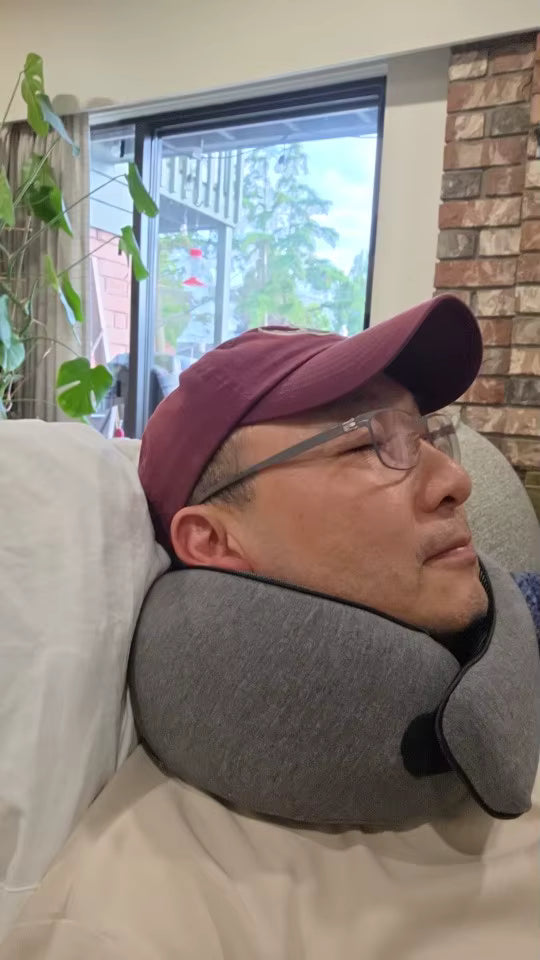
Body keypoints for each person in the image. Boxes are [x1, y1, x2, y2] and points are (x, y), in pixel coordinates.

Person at [2, 295, 540, 959]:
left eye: (428, 438)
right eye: (368, 443)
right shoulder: (140, 918)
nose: (455, 480)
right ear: (214, 541)